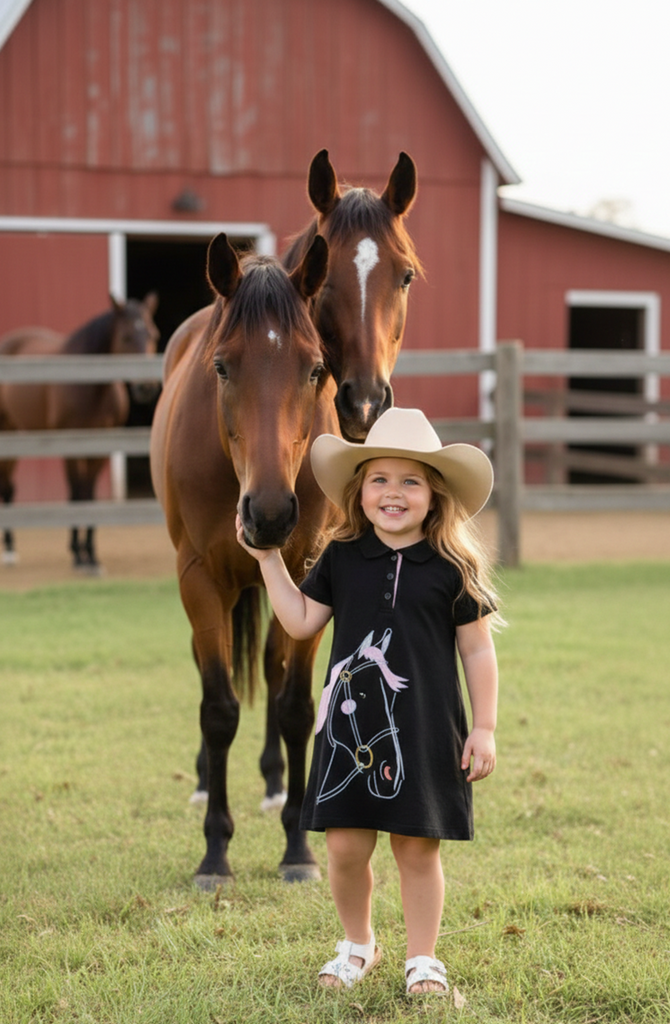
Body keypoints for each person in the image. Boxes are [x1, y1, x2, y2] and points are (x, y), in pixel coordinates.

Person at [236, 407, 501, 996]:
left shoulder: (453, 568)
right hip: (348, 735)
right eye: (380, 479)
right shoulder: (342, 558)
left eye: (411, 481)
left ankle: (423, 959)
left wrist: (483, 727)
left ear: (434, 495)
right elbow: (302, 622)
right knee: (345, 846)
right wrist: (267, 560)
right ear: (359, 493)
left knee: (416, 848)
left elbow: (478, 653)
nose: (394, 493)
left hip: (428, 729)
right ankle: (359, 944)